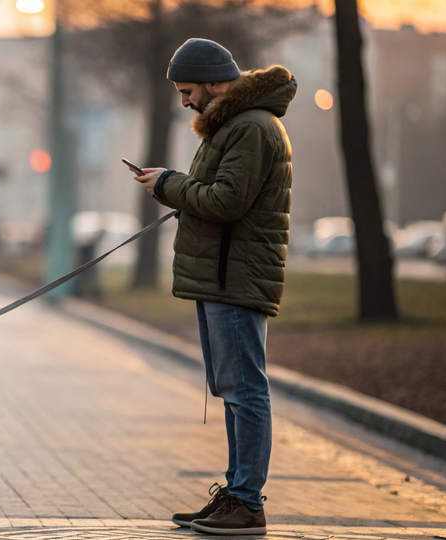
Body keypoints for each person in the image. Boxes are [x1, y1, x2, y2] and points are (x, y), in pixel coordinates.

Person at [129, 38, 295, 536]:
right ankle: (236, 495)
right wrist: (175, 185)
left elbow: (226, 201)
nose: (184, 102)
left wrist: (166, 184)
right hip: (222, 278)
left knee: (245, 390)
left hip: (235, 279)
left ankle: (247, 502)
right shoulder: (236, 125)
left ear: (215, 84)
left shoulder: (251, 127)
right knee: (233, 389)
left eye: (187, 91)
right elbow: (216, 196)